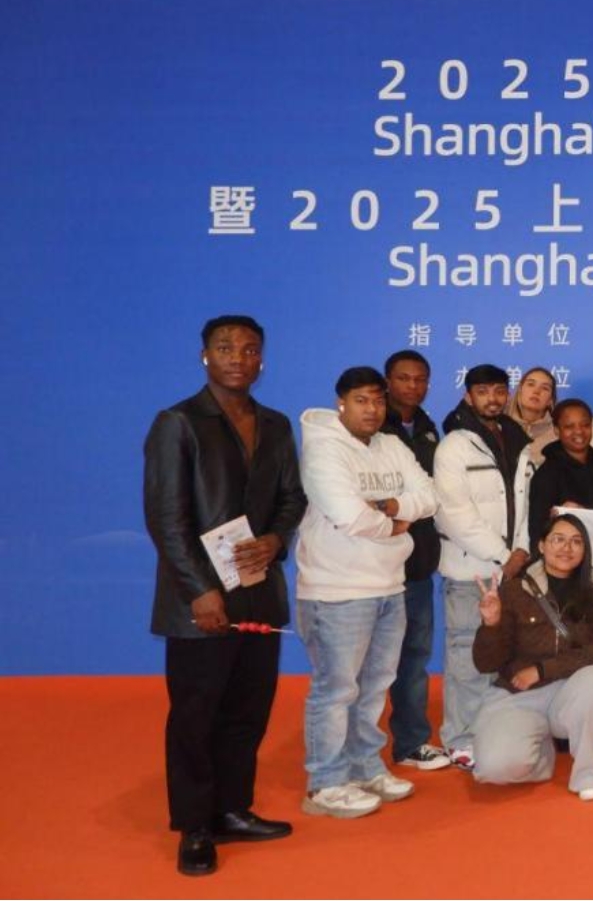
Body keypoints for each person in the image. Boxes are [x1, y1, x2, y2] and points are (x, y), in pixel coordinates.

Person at [144, 315, 307, 876]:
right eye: (225, 347)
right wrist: (200, 591)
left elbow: (292, 499)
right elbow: (166, 519)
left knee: (246, 710)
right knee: (196, 716)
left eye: (250, 349)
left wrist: (275, 540)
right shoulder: (178, 423)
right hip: (201, 599)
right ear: (205, 356)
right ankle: (195, 827)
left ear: (262, 359)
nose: (238, 357)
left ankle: (233, 809)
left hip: (258, 591)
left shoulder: (276, 425)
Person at [295, 366, 438, 818]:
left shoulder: (391, 445)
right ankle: (325, 782)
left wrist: (392, 506)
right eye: (361, 400)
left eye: (377, 400)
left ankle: (364, 766)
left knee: (375, 685)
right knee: (336, 689)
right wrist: (395, 525)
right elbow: (350, 516)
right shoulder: (323, 449)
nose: (372, 409)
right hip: (337, 588)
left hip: (389, 584)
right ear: (341, 402)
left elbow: (429, 496)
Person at [471, 513, 593, 800]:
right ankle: (541, 753)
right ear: (541, 545)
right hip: (521, 694)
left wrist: (543, 670)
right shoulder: (514, 589)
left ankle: (589, 773)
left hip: (575, 689)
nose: (567, 548)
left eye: (576, 542)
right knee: (494, 769)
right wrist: (491, 624)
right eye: (558, 539)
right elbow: (486, 663)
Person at [433, 364, 533, 771]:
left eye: (498, 390)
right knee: (467, 658)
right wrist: (502, 554)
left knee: (501, 656)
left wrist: (521, 551)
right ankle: (459, 738)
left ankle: (489, 732)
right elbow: (453, 513)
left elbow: (525, 504)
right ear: (467, 396)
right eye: (482, 391)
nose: (492, 398)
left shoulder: (517, 439)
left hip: (511, 571)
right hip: (470, 572)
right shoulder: (454, 446)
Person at [380, 350, 450, 772]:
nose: (412, 386)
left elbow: (431, 495)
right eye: (403, 378)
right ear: (388, 381)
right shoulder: (371, 427)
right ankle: (357, 754)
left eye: (420, 379)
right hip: (374, 566)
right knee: (369, 663)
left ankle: (411, 742)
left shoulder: (427, 427)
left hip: (418, 564)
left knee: (414, 655)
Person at [527, 398, 593, 546]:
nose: (579, 431)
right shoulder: (546, 474)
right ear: (556, 430)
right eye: (569, 426)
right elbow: (538, 530)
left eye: (585, 425)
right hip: (565, 554)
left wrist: (583, 511)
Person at [505, 366, 559, 466]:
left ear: (550, 400)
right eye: (530, 384)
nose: (536, 391)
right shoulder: (499, 427)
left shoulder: (557, 437)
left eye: (545, 388)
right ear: (520, 390)